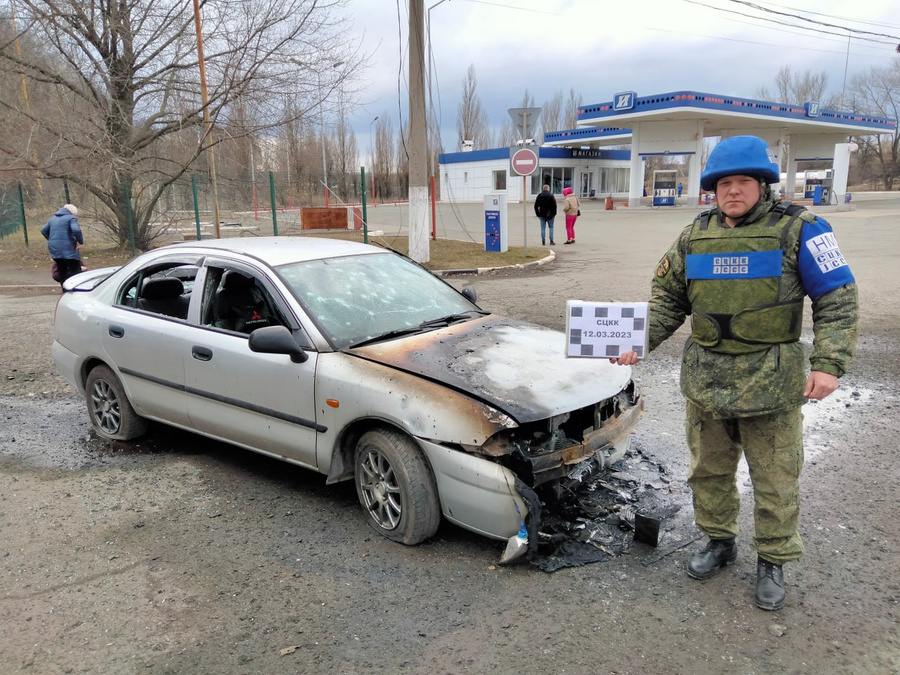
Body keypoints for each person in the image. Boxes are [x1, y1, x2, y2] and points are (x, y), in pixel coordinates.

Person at [610, 135, 858, 611]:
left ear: (764, 184)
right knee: (708, 471)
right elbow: (668, 302)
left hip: (773, 382)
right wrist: (635, 342)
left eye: (744, 181)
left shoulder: (802, 229)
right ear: (713, 188)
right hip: (708, 383)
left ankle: (773, 560)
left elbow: (837, 299)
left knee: (775, 477)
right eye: (724, 183)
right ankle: (719, 542)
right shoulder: (693, 234)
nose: (733, 191)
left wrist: (829, 364)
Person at [41, 204, 84, 288]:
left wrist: (51, 240)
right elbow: (76, 229)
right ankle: (77, 288)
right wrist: (80, 241)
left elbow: (43, 230)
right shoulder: (71, 218)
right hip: (69, 247)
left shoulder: (52, 219)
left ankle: (65, 289)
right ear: (72, 212)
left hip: (55, 248)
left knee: (61, 268)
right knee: (75, 268)